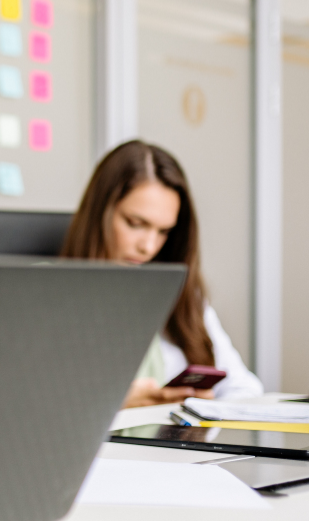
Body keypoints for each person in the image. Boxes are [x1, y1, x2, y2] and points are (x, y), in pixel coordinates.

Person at [61, 140, 263, 408]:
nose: (148, 246)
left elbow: (243, 388)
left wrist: (205, 407)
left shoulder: (180, 296)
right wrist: (111, 405)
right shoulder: (42, 294)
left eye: (163, 231)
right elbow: (17, 410)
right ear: (100, 212)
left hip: (179, 447)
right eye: (135, 224)